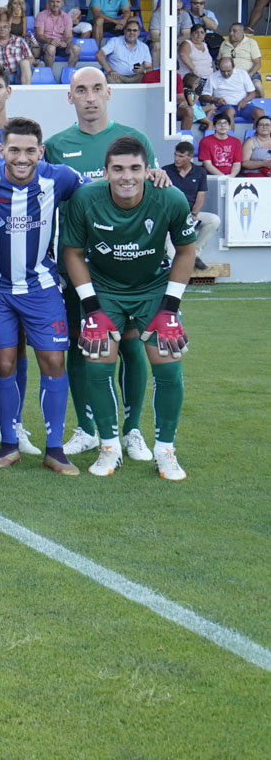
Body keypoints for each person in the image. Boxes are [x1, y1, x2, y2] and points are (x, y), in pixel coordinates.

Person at [61, 136, 196, 480]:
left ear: (148, 170)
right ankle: (110, 446)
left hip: (154, 289)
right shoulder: (85, 198)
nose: (127, 176)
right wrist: (92, 308)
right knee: (97, 362)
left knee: (168, 365)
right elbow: (73, 254)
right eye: (118, 169)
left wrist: (170, 308)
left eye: (135, 168)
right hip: (104, 289)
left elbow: (185, 250)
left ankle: (165, 450)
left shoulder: (170, 198)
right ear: (105, 172)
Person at [0, 118, 83, 474]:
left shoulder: (60, 178)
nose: (22, 157)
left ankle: (55, 449)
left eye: (30, 151)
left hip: (41, 287)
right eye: (14, 150)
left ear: (41, 152)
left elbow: (101, 186)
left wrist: (153, 177)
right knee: (4, 363)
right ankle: (9, 443)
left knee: (54, 363)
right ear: (2, 151)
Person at [44, 67, 160, 457]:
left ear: (109, 93)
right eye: (81, 90)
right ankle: (87, 427)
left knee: (130, 345)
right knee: (82, 346)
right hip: (78, 265)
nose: (90, 97)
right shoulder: (56, 145)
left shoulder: (133, 140)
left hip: (128, 268)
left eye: (96, 89)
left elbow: (156, 188)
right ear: (70, 97)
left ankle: (132, 430)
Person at [163, 140, 220, 268]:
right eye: (176, 155)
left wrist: (194, 213)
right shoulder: (166, 171)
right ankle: (175, 266)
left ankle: (195, 254)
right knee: (173, 259)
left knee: (213, 220)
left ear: (190, 157)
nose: (177, 159)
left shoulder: (200, 172)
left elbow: (201, 196)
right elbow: (162, 197)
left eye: (181, 156)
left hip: (190, 214)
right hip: (170, 216)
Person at [200, 53, 258, 135]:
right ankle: (230, 138)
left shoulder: (243, 73)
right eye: (223, 71)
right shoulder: (213, 77)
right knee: (229, 111)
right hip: (225, 106)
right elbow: (204, 96)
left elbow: (252, 93)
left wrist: (245, 100)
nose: (226, 74)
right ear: (218, 68)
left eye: (229, 71)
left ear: (233, 67)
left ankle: (256, 139)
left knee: (260, 113)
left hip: (244, 105)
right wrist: (215, 99)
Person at [0, 18, 36, 86]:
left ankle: (25, 90)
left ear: (9, 29)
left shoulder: (20, 40)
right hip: (2, 75)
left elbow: (32, 59)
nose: (2, 29)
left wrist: (23, 62)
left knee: (25, 62)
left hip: (19, 73)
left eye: (5, 27)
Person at [99, 19, 151, 85]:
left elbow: (149, 67)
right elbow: (99, 55)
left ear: (139, 32)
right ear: (124, 31)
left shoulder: (144, 47)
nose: (132, 32)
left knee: (147, 76)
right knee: (109, 77)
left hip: (136, 77)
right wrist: (110, 71)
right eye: (129, 30)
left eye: (135, 30)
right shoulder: (115, 41)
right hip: (117, 77)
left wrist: (143, 70)